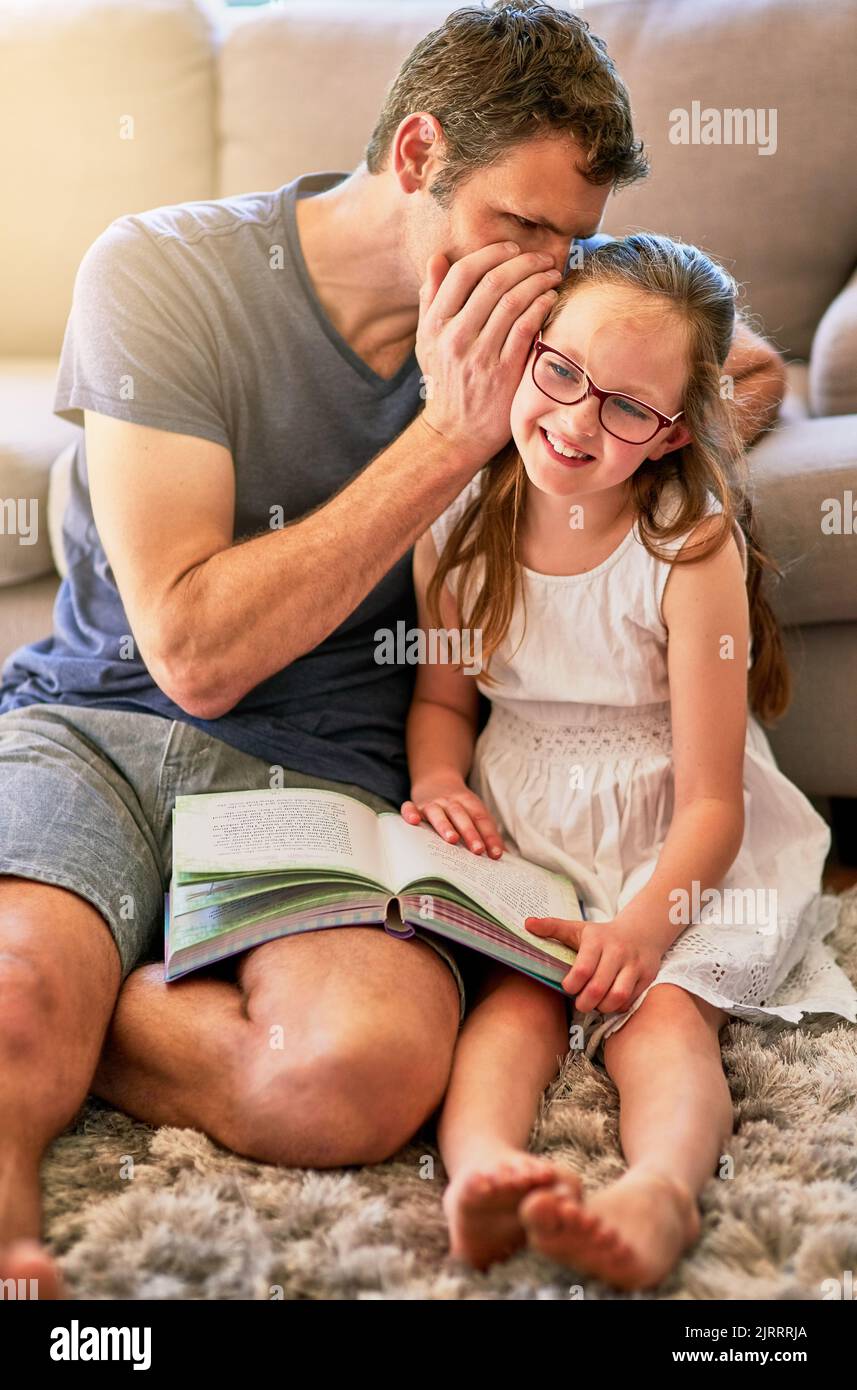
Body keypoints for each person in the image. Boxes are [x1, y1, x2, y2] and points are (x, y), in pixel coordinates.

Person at [0, 2, 787, 1296]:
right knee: (18, 991)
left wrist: (617, 462)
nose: (546, 272)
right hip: (99, 722)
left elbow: (738, 370)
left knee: (358, 1076)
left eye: (571, 241)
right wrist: (452, 438)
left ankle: (101, 975)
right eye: (521, 229)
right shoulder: (160, 268)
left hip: (328, 758)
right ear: (416, 154)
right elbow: (196, 653)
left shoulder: (543, 330)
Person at [400, 232, 857, 1289]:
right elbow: (438, 698)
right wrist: (435, 779)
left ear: (667, 434)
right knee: (510, 1003)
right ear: (525, 350)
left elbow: (711, 799)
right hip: (528, 817)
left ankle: (656, 1188)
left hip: (677, 836)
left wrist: (644, 928)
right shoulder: (459, 517)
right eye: (558, 371)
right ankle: (481, 1172)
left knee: (659, 1020)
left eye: (624, 408)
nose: (572, 420)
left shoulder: (686, 543)